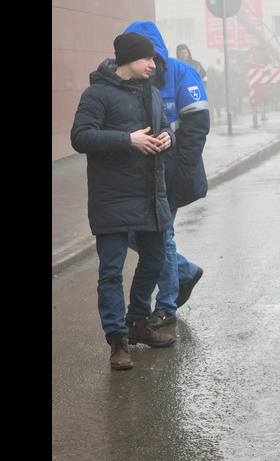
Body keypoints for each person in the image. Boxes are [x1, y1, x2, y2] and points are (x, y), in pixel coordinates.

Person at [70, 32, 178, 370]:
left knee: (155, 259)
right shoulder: (97, 93)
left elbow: (167, 128)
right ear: (128, 59)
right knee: (112, 271)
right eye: (147, 59)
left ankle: (137, 322)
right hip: (112, 197)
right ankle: (118, 341)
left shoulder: (154, 94)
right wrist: (126, 140)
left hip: (150, 194)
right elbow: (80, 136)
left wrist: (167, 138)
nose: (153, 64)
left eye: (155, 60)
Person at [124, 22, 210, 329]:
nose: (147, 63)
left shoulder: (181, 73)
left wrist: (178, 168)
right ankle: (184, 271)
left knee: (162, 236)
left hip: (171, 172)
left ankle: (167, 304)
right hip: (141, 174)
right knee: (135, 235)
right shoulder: (129, 79)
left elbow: (197, 125)